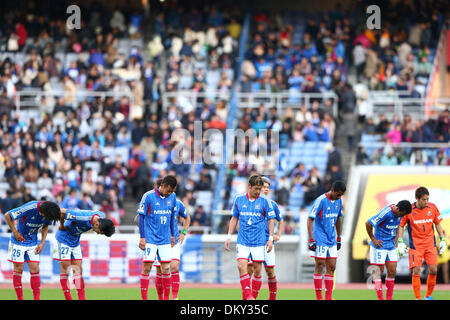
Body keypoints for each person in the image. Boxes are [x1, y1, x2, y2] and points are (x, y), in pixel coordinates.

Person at [225, 175, 275, 300]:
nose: (258, 191)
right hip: (243, 240)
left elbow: (271, 220)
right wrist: (229, 236)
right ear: (249, 186)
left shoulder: (265, 201)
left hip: (259, 241)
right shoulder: (239, 199)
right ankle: (248, 296)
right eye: (256, 189)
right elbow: (234, 218)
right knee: (242, 266)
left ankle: (253, 297)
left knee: (257, 270)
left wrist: (270, 238)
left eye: (260, 189)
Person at [54, 208, 115, 300]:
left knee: (78, 271)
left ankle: (82, 298)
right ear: (97, 224)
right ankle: (68, 298)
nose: (98, 234)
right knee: (66, 269)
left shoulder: (101, 218)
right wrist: (61, 225)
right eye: (100, 232)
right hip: (63, 239)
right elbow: (62, 211)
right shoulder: (82, 216)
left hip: (75, 241)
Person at [4, 201, 61, 300]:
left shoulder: (49, 212)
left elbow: (45, 226)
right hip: (18, 241)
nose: (47, 219)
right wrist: (14, 231)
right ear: (44, 212)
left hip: (33, 243)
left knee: (35, 269)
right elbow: (7, 215)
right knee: (19, 269)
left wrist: (42, 242)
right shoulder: (30, 208)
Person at [397, 187, 446, 300]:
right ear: (417, 198)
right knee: (416, 270)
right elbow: (401, 225)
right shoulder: (409, 210)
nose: (426, 202)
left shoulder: (432, 207)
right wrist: (400, 241)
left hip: (430, 245)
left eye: (427, 199)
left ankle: (428, 296)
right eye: (424, 199)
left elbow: (437, 223)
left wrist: (442, 238)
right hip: (416, 246)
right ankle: (417, 298)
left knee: (434, 269)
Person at [137, 175, 178, 300]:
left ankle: (166, 298)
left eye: (172, 191)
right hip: (150, 239)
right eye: (169, 190)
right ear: (163, 186)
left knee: (166, 268)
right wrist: (142, 237)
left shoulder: (173, 197)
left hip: (165, 238)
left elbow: (172, 217)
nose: (170, 193)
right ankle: (145, 298)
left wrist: (172, 234)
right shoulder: (148, 196)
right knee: (147, 267)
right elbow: (141, 216)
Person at [365, 200, 413, 300]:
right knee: (379, 271)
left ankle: (389, 298)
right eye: (402, 214)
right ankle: (381, 298)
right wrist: (373, 239)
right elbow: (368, 223)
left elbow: (398, 227)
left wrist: (396, 240)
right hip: (379, 245)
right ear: (398, 209)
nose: (402, 216)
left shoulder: (400, 214)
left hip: (390, 246)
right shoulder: (386, 213)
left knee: (392, 271)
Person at [308, 180, 346, 300]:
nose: (339, 197)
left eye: (341, 195)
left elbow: (338, 218)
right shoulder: (320, 201)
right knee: (319, 265)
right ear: (333, 190)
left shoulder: (338, 201)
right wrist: (311, 239)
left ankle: (328, 297)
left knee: (332, 267)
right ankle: (319, 297)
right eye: (338, 194)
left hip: (332, 239)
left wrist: (339, 237)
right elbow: (310, 219)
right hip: (320, 238)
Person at [246, 176, 283, 300]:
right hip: (254, 241)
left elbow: (280, 220)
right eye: (264, 187)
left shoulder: (272, 204)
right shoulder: (250, 202)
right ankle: (251, 298)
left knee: (270, 272)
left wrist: (277, 235)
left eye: (268, 187)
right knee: (251, 269)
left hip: (268, 242)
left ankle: (272, 297)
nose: (266, 189)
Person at [153, 198, 191, 300]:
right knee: (160, 270)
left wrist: (183, 233)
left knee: (175, 266)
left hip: (174, 241)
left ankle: (174, 297)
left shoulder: (177, 203)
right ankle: (160, 297)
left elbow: (187, 217)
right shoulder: (153, 201)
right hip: (159, 241)